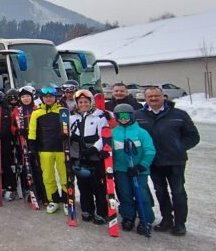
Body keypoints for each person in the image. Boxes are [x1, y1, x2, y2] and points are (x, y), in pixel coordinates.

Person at [135, 86, 200, 236]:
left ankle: (180, 223)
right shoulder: (138, 116)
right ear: (145, 99)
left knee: (178, 192)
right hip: (153, 162)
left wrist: (179, 147)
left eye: (156, 96)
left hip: (174, 161)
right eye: (150, 97)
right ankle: (166, 220)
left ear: (163, 97)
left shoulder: (179, 114)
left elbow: (193, 136)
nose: (153, 99)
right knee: (160, 191)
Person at [68, 90, 112, 225]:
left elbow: (104, 135)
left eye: (86, 102)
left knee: (97, 185)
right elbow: (68, 132)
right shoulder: (73, 117)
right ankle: (87, 209)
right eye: (80, 102)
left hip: (94, 155)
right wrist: (68, 138)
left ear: (91, 102)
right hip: (79, 155)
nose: (83, 105)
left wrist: (94, 148)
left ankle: (101, 212)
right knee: (83, 184)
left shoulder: (99, 116)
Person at [112, 103, 156, 235]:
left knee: (141, 194)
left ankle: (145, 219)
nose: (123, 119)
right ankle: (128, 216)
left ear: (132, 116)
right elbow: (109, 150)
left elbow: (150, 150)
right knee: (124, 193)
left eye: (126, 116)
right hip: (121, 169)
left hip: (138, 169)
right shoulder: (114, 132)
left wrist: (141, 166)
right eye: (119, 116)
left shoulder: (141, 132)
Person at [28, 87, 68, 214]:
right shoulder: (37, 113)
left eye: (51, 96)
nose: (49, 99)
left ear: (56, 98)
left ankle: (67, 200)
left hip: (61, 149)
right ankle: (53, 200)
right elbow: (32, 131)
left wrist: (66, 137)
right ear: (42, 99)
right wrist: (32, 146)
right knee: (48, 176)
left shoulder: (62, 111)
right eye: (46, 97)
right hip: (44, 149)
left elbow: (67, 129)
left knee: (65, 175)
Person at [12, 85, 46, 206]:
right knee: (26, 167)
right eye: (23, 97)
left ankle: (42, 192)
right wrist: (16, 131)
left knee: (38, 167)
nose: (26, 99)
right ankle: (28, 190)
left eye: (28, 96)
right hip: (23, 142)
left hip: (37, 142)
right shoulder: (17, 110)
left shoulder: (37, 108)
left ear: (32, 97)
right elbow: (12, 125)